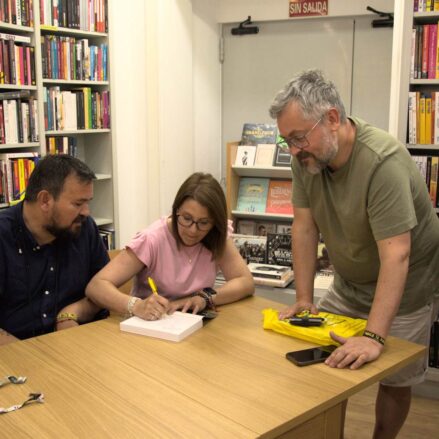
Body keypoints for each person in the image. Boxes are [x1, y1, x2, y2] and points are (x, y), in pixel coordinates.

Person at [269, 69, 439, 439]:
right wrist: (303, 298)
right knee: (326, 365)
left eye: (298, 138)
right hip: (350, 283)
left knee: (394, 378)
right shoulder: (306, 158)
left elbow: (397, 255)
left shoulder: (383, 162)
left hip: (406, 286)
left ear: (332, 119)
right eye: (288, 141)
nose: (294, 150)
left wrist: (375, 337)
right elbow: (304, 227)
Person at [86, 172, 254, 320]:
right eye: (186, 218)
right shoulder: (152, 239)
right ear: (176, 210)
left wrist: (205, 298)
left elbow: (245, 282)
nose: (193, 230)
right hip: (153, 326)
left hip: (194, 327)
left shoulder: (216, 235)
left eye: (203, 222)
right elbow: (96, 286)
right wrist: (136, 306)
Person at [0, 154, 109, 346]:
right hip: (14, 356)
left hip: (77, 346)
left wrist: (70, 314)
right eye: (77, 203)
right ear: (45, 200)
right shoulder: (3, 236)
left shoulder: (84, 228)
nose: (86, 212)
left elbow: (104, 290)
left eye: (88, 202)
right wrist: (26, 355)